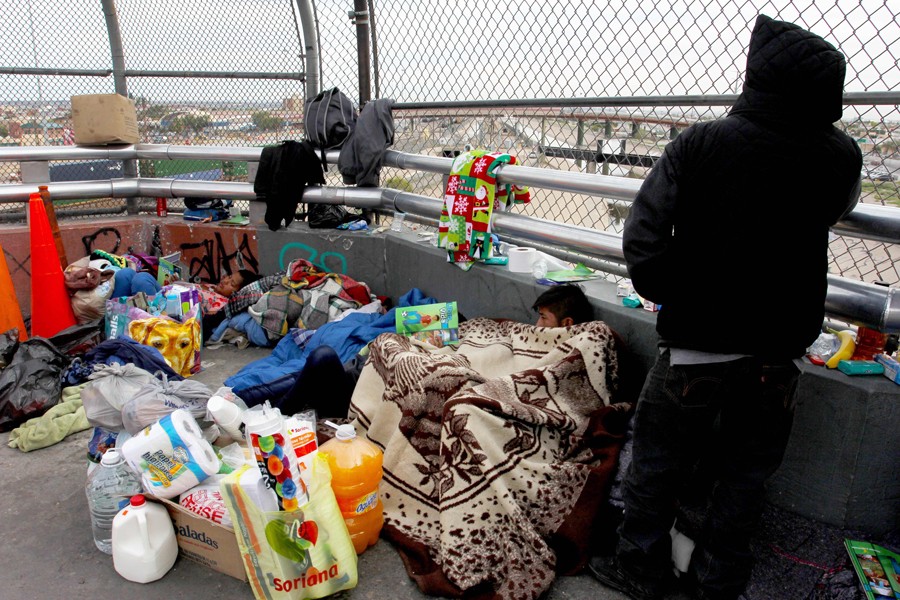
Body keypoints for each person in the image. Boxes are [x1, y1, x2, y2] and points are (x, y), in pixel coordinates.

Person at [589, 14, 861, 600]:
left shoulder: (702, 142)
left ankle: (641, 568)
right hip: (779, 353)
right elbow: (837, 208)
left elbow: (643, 235)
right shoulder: (842, 155)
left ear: (757, 75)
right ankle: (720, 578)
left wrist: (678, 293)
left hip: (697, 345)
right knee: (745, 476)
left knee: (659, 462)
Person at [279, 285, 595, 419]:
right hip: (373, 362)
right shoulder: (530, 336)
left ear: (566, 324)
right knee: (446, 317)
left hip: (371, 387)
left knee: (321, 360)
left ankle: (274, 416)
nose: (536, 324)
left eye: (543, 318)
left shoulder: (556, 361)